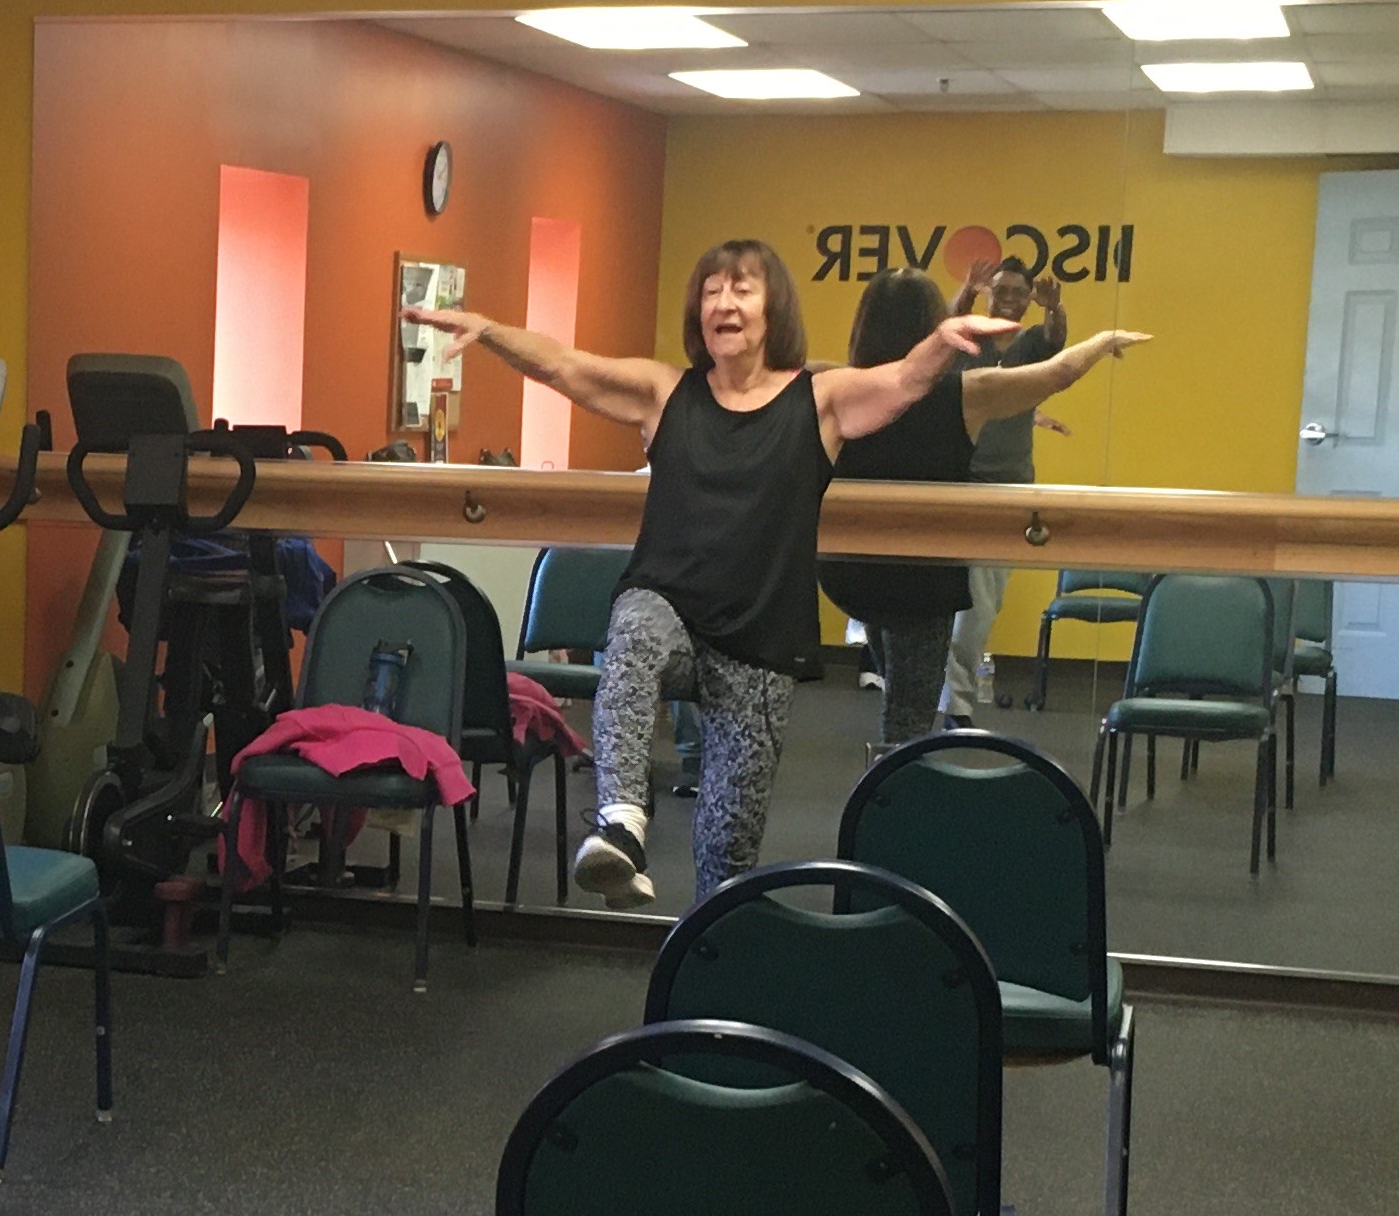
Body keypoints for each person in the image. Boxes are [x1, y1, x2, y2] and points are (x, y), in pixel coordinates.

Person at [399, 238, 1008, 906]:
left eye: (742, 289)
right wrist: (490, 333)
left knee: (727, 857)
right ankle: (622, 822)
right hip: (673, 617)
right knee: (633, 628)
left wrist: (945, 338)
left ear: (773, 309)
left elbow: (900, 383)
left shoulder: (820, 401)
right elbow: (566, 366)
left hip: (760, 647)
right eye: (712, 290)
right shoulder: (666, 393)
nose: (724, 303)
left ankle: (709, 976)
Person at [821, 268, 1149, 752]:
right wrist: (1103, 340)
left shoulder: (834, 386)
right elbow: (1055, 374)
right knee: (908, 720)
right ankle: (895, 798)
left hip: (850, 573)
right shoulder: (959, 394)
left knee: (898, 684)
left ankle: (890, 776)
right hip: (920, 579)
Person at [949, 262, 1067, 710]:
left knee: (988, 600)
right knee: (971, 602)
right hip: (964, 482)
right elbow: (943, 326)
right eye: (1001, 290)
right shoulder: (967, 340)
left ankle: (955, 698)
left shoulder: (1032, 344)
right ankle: (956, 705)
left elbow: (1057, 340)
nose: (1009, 298)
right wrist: (965, 292)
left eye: (1019, 292)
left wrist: (1055, 309)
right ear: (989, 293)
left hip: (1013, 485)